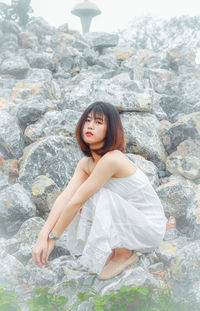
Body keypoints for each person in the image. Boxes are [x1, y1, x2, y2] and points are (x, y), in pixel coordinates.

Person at [32, 101, 167, 280]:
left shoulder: (112, 159)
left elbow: (77, 201)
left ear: (110, 130)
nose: (90, 126)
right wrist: (43, 236)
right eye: (87, 120)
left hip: (149, 228)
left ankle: (124, 253)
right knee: (83, 197)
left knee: (93, 196)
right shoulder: (86, 164)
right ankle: (113, 249)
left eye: (98, 122)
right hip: (132, 222)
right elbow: (65, 198)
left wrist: (53, 238)